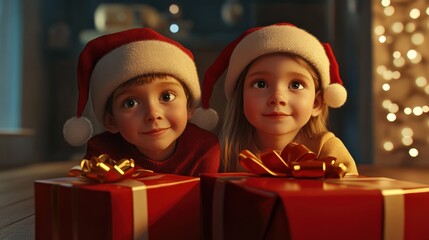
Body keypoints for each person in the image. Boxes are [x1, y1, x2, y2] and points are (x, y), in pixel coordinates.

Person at [192, 23, 358, 175]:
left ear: (317, 103)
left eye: (296, 85)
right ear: (241, 97)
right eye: (261, 84)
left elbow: (353, 199)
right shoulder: (225, 155)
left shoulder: (328, 149)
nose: (277, 98)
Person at [62, 28, 220, 177]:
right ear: (110, 120)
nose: (153, 114)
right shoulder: (102, 155)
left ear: (189, 106)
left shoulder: (204, 149)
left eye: (167, 97)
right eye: (130, 103)